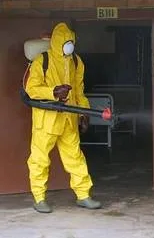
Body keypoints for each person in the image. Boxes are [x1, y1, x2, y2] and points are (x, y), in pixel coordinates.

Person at [25, 22, 101, 213]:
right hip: (47, 121)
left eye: (71, 41)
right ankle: (39, 198)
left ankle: (83, 195)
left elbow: (79, 91)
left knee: (75, 157)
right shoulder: (42, 61)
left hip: (69, 119)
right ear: (57, 41)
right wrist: (53, 92)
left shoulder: (76, 61)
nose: (69, 45)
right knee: (39, 159)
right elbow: (32, 90)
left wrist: (84, 112)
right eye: (65, 41)